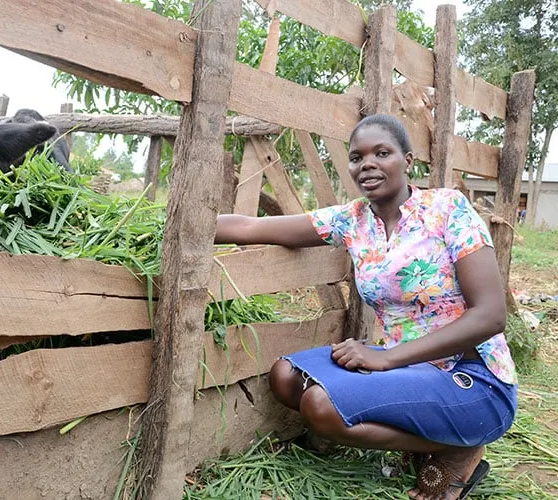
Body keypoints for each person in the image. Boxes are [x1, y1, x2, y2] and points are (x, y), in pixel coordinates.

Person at [215, 114, 517, 500]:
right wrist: (176, 223)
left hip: (474, 379)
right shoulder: (354, 220)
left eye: (382, 153)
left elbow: (491, 315)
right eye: (357, 157)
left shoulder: (447, 210)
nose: (367, 164)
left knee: (321, 406)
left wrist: (386, 360)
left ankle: (459, 448)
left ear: (408, 162)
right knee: (286, 377)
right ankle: (428, 435)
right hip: (406, 366)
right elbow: (250, 227)